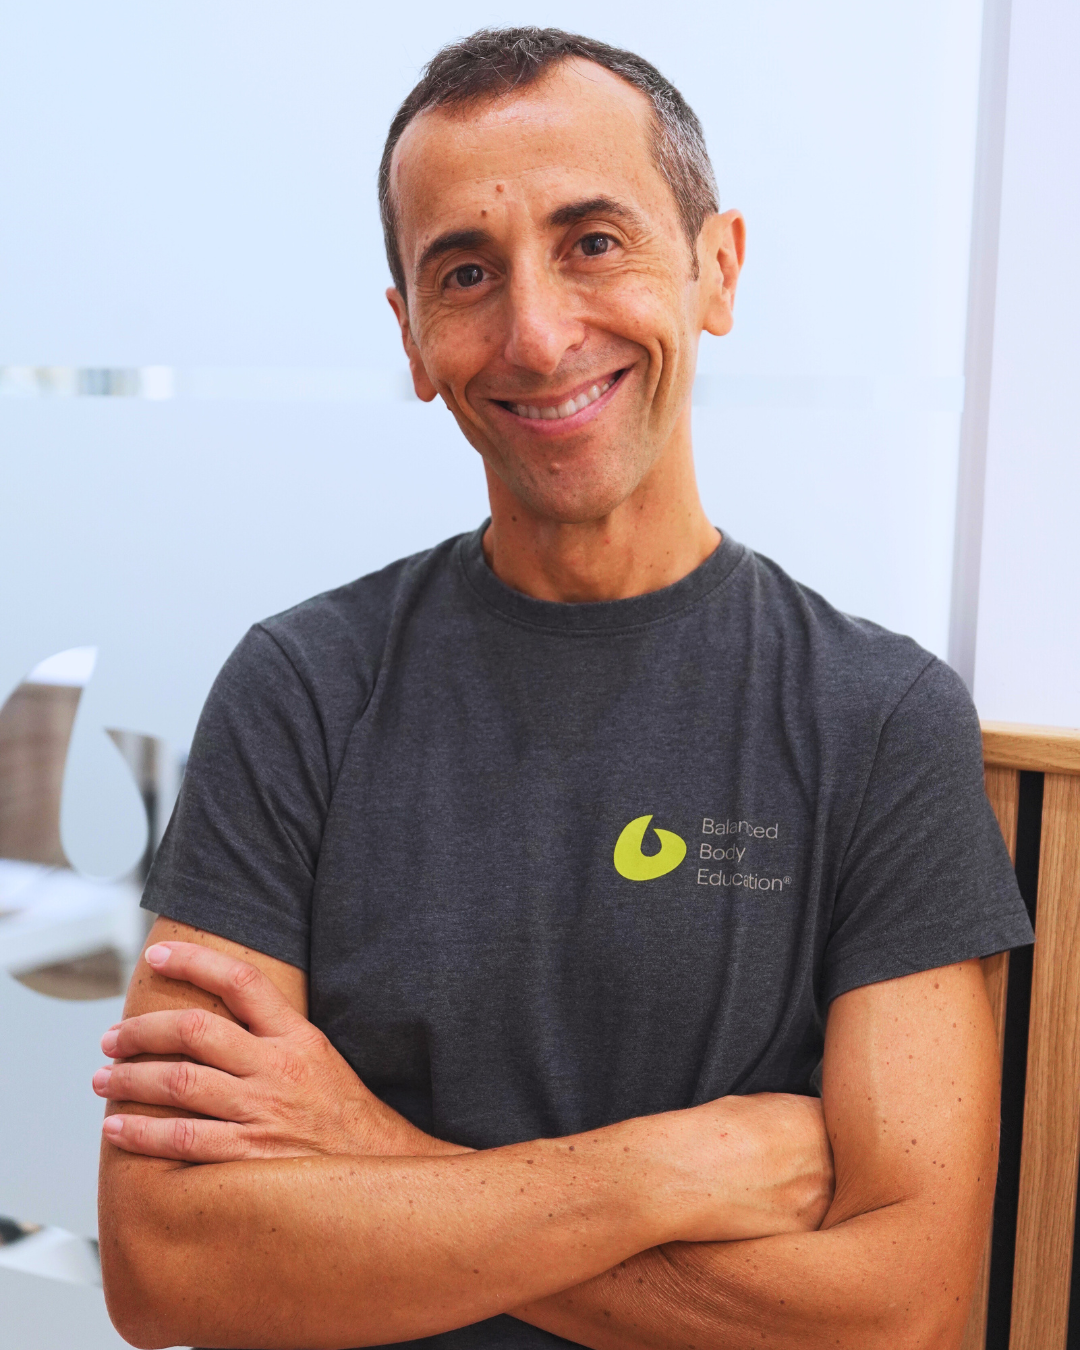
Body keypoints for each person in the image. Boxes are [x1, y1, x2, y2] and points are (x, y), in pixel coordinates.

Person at [94, 27, 1032, 1350]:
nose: (536, 335)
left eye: (593, 241)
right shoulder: (301, 691)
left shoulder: (876, 719)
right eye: (466, 273)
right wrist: (666, 1170)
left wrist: (368, 1147)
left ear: (717, 268)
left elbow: (900, 1312)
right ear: (412, 336)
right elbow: (167, 1261)